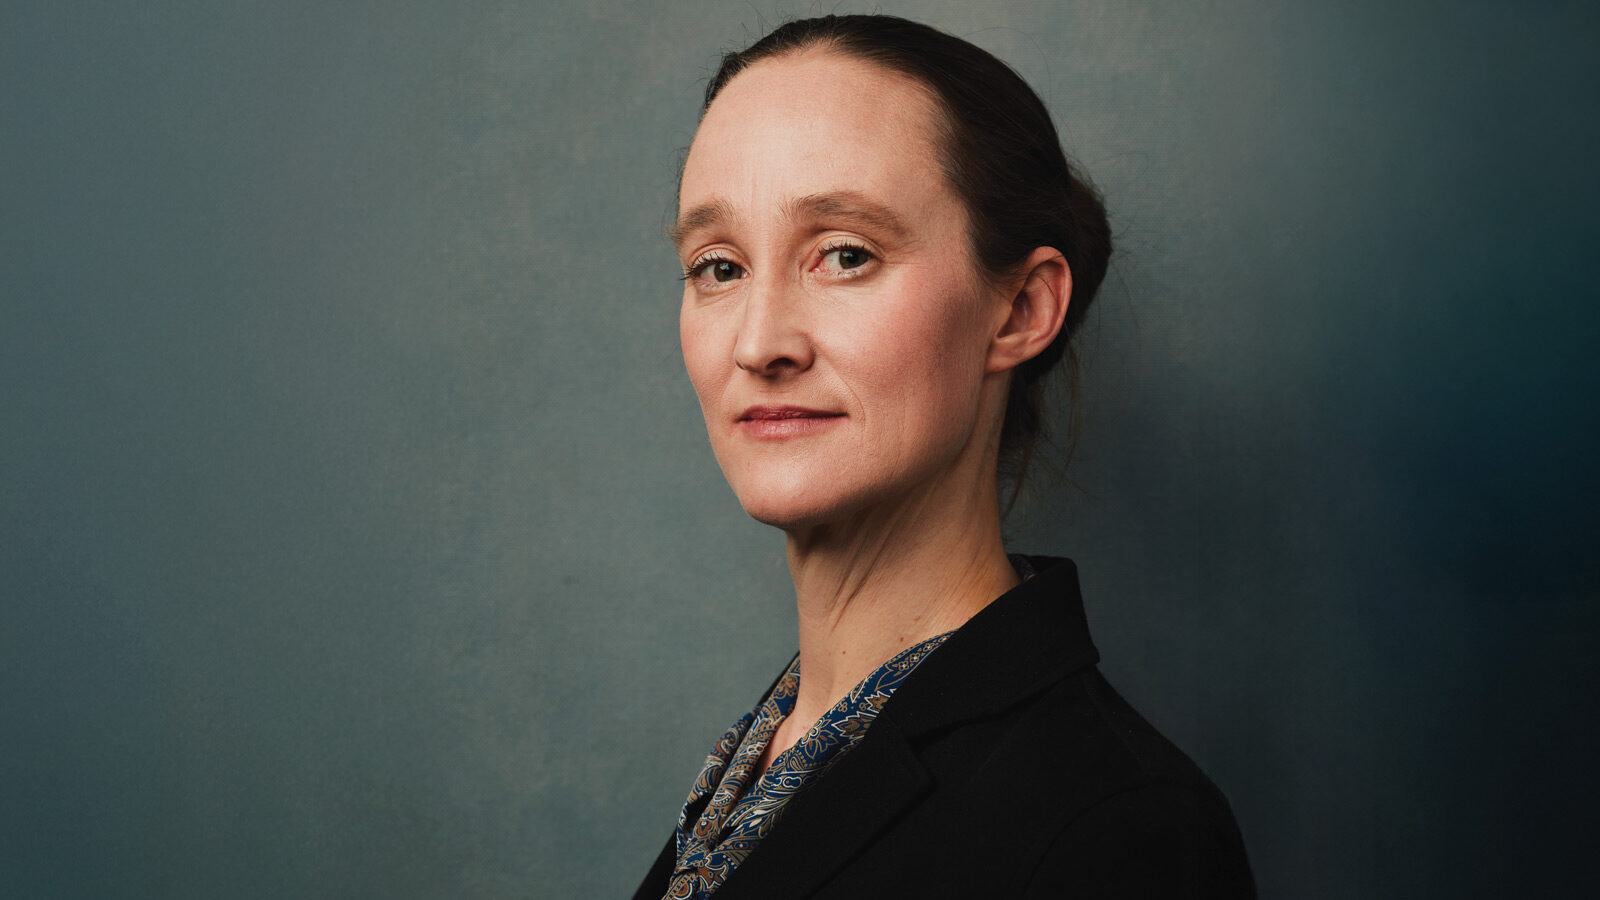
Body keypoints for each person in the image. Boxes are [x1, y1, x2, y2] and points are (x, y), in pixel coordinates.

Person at [635, 14, 1254, 899]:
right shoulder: (771, 749)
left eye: (845, 255)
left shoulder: (1116, 824)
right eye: (719, 266)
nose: (759, 342)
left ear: (1019, 311)